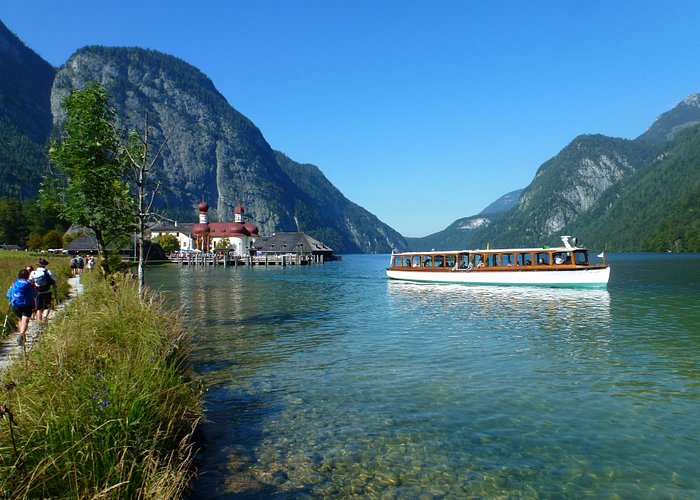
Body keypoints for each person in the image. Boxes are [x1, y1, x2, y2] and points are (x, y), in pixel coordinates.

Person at [6, 268, 37, 346]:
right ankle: (21, 334)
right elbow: (34, 294)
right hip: (26, 304)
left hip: (16, 305)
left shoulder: (15, 283)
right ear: (27, 276)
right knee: (25, 320)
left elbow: (8, 294)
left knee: (20, 319)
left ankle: (22, 336)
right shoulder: (29, 283)